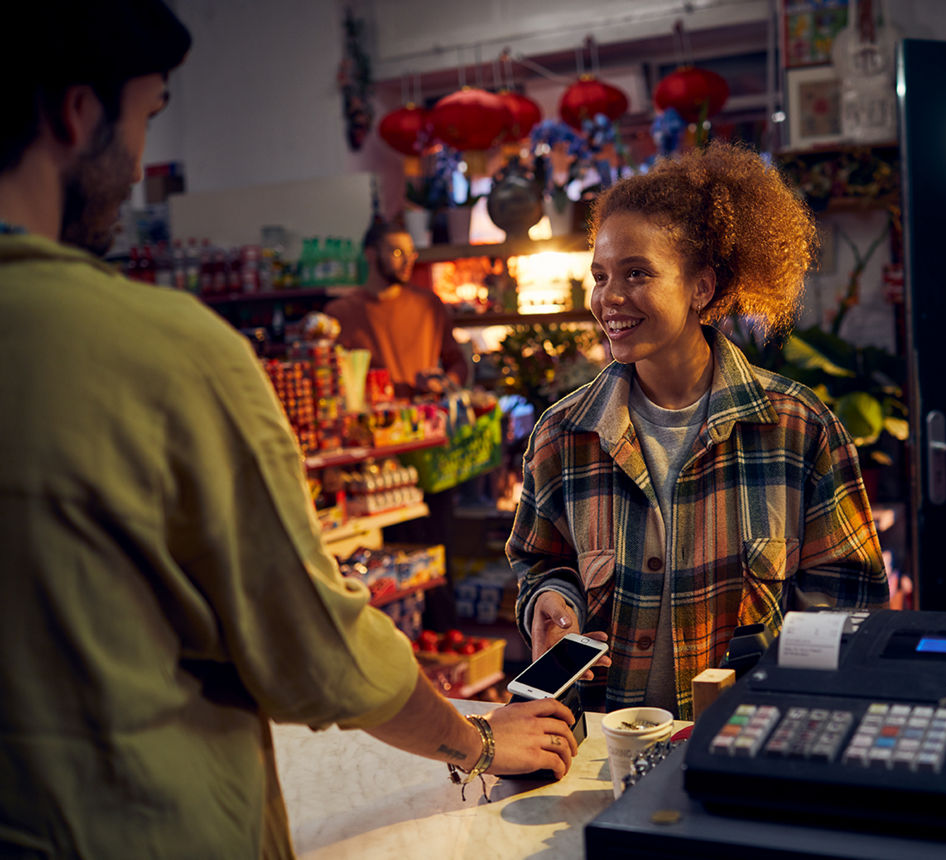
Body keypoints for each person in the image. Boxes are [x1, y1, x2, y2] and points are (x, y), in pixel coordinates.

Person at [0, 3, 575, 857]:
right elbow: (318, 646)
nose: (139, 163)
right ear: (76, 114)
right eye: (147, 116)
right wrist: (480, 738)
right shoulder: (164, 353)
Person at [508, 141, 889, 721]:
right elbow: (540, 562)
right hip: (599, 750)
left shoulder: (797, 428)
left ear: (701, 289)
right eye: (601, 274)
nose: (609, 297)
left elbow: (848, 606)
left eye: (637, 273)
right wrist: (551, 598)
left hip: (746, 750)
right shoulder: (564, 435)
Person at [324, 217, 469, 398]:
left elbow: (457, 363)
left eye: (411, 253)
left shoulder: (429, 305)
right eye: (398, 252)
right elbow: (330, 377)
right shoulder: (340, 313)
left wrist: (442, 384)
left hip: (424, 417)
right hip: (372, 420)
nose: (408, 260)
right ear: (371, 255)